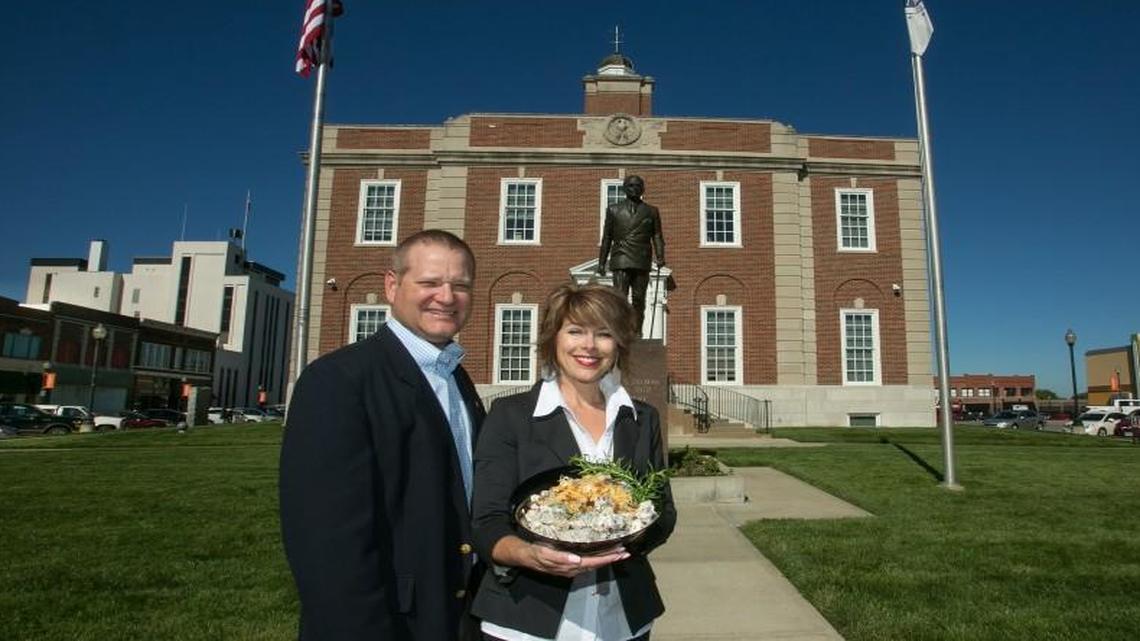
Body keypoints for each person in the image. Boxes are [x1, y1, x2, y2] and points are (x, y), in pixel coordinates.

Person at [279, 229, 486, 640]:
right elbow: (329, 548)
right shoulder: (338, 381)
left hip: (454, 617)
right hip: (388, 622)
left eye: (460, 285)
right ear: (392, 286)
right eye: (429, 282)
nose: (445, 297)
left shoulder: (456, 379)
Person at [471, 282, 676, 641]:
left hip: (623, 621)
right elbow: (486, 522)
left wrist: (617, 537)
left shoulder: (641, 419)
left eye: (604, 333)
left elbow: (663, 511)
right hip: (528, 619)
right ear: (554, 338)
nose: (589, 346)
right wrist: (528, 554)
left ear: (619, 345)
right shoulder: (510, 416)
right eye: (576, 331)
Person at [597, 175, 666, 334]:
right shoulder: (613, 209)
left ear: (643, 189)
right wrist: (602, 263)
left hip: (641, 258)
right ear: (624, 189)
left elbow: (657, 235)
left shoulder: (651, 211)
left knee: (639, 300)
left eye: (637, 186)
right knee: (620, 298)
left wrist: (661, 256)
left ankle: (636, 333)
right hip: (621, 257)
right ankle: (620, 332)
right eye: (630, 186)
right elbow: (607, 237)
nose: (634, 189)